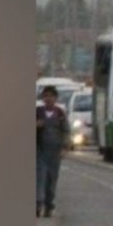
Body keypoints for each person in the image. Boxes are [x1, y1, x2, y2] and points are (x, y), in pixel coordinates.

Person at [36, 86, 71, 218]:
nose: (48, 98)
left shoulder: (60, 113)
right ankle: (37, 203)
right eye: (46, 96)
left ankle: (49, 204)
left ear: (56, 98)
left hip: (55, 152)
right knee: (39, 178)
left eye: (51, 96)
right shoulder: (37, 112)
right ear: (42, 98)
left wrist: (64, 147)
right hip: (40, 151)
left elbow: (66, 131)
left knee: (51, 179)